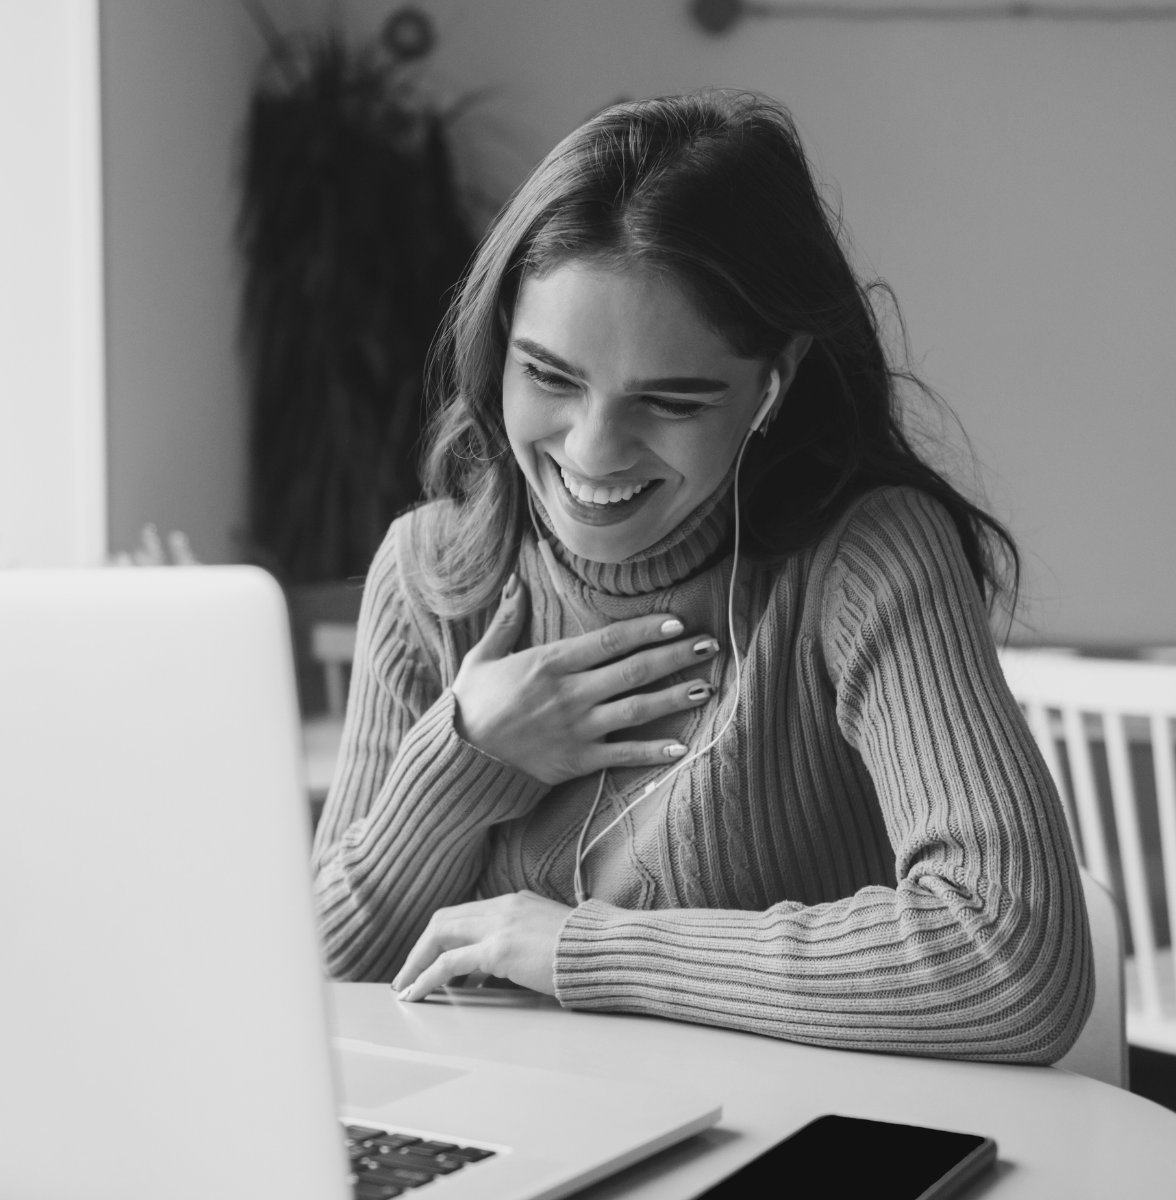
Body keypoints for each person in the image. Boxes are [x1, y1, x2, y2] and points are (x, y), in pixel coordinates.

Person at [312, 91, 1092, 1063]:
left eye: (671, 400)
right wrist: (468, 760)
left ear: (774, 383)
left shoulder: (867, 557)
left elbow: (1009, 962)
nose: (593, 453)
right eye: (549, 376)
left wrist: (582, 952)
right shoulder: (432, 572)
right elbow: (314, 985)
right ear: (498, 341)